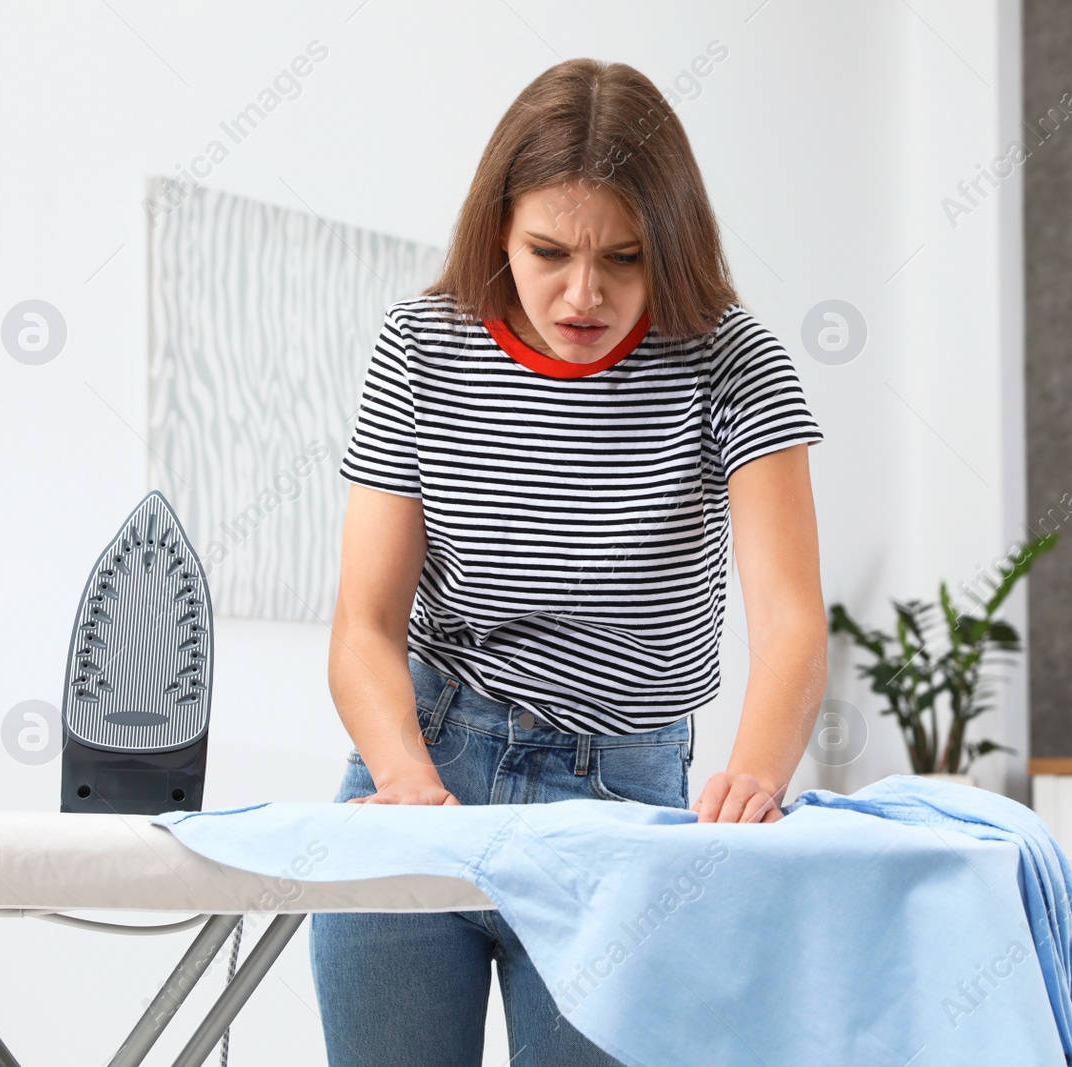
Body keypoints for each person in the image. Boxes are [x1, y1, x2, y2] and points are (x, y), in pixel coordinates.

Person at [309, 56, 826, 1067]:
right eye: (548, 250)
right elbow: (363, 625)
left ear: (669, 246)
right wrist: (406, 780)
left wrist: (756, 771)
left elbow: (791, 620)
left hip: (623, 793)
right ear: (497, 229)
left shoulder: (733, 362)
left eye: (624, 259)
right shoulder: (422, 345)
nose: (582, 294)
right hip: (428, 765)